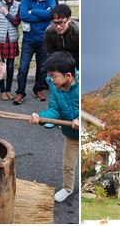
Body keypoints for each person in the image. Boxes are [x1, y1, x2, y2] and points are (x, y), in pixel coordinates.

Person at [29, 52, 79, 203]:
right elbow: (54, 110)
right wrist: (40, 116)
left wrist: (80, 119)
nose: (51, 79)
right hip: (71, 135)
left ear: (68, 75)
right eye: (50, 76)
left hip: (89, 133)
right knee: (68, 164)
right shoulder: (56, 89)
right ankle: (68, 188)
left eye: (54, 76)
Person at [14, 0, 56, 105]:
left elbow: (52, 14)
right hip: (29, 39)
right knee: (23, 67)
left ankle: (38, 88)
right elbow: (24, 15)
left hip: (44, 38)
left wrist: (34, 11)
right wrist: (43, 15)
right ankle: (20, 92)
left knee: (42, 67)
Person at [44, 4, 79, 69]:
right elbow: (50, 53)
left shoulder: (78, 32)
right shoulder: (49, 32)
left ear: (69, 19)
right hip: (59, 62)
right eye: (55, 23)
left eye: (61, 22)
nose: (58, 27)